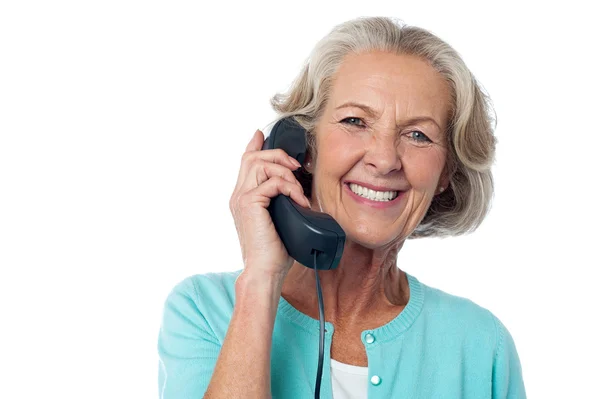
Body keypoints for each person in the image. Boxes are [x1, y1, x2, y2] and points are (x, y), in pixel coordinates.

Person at [157, 16, 526, 399]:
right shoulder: (203, 310)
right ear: (305, 148)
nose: (384, 160)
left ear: (447, 170)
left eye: (418, 135)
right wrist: (261, 279)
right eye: (355, 121)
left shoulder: (482, 346)